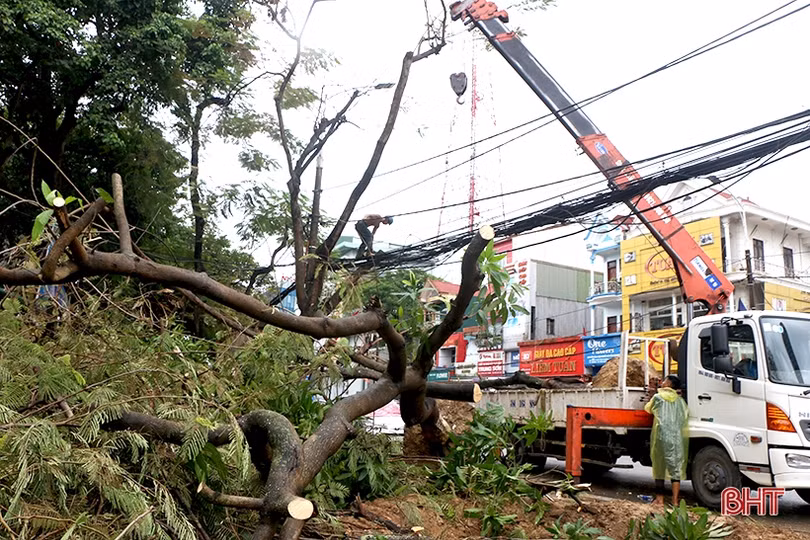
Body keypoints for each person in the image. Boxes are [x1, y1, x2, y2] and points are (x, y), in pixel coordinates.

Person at [644, 374, 689, 506]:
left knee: (659, 468)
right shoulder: (680, 401)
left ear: (669, 384)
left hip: (661, 437)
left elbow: (648, 409)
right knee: (675, 469)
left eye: (664, 381)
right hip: (676, 438)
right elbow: (684, 416)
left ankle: (660, 500)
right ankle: (675, 501)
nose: (662, 383)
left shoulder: (658, 397)